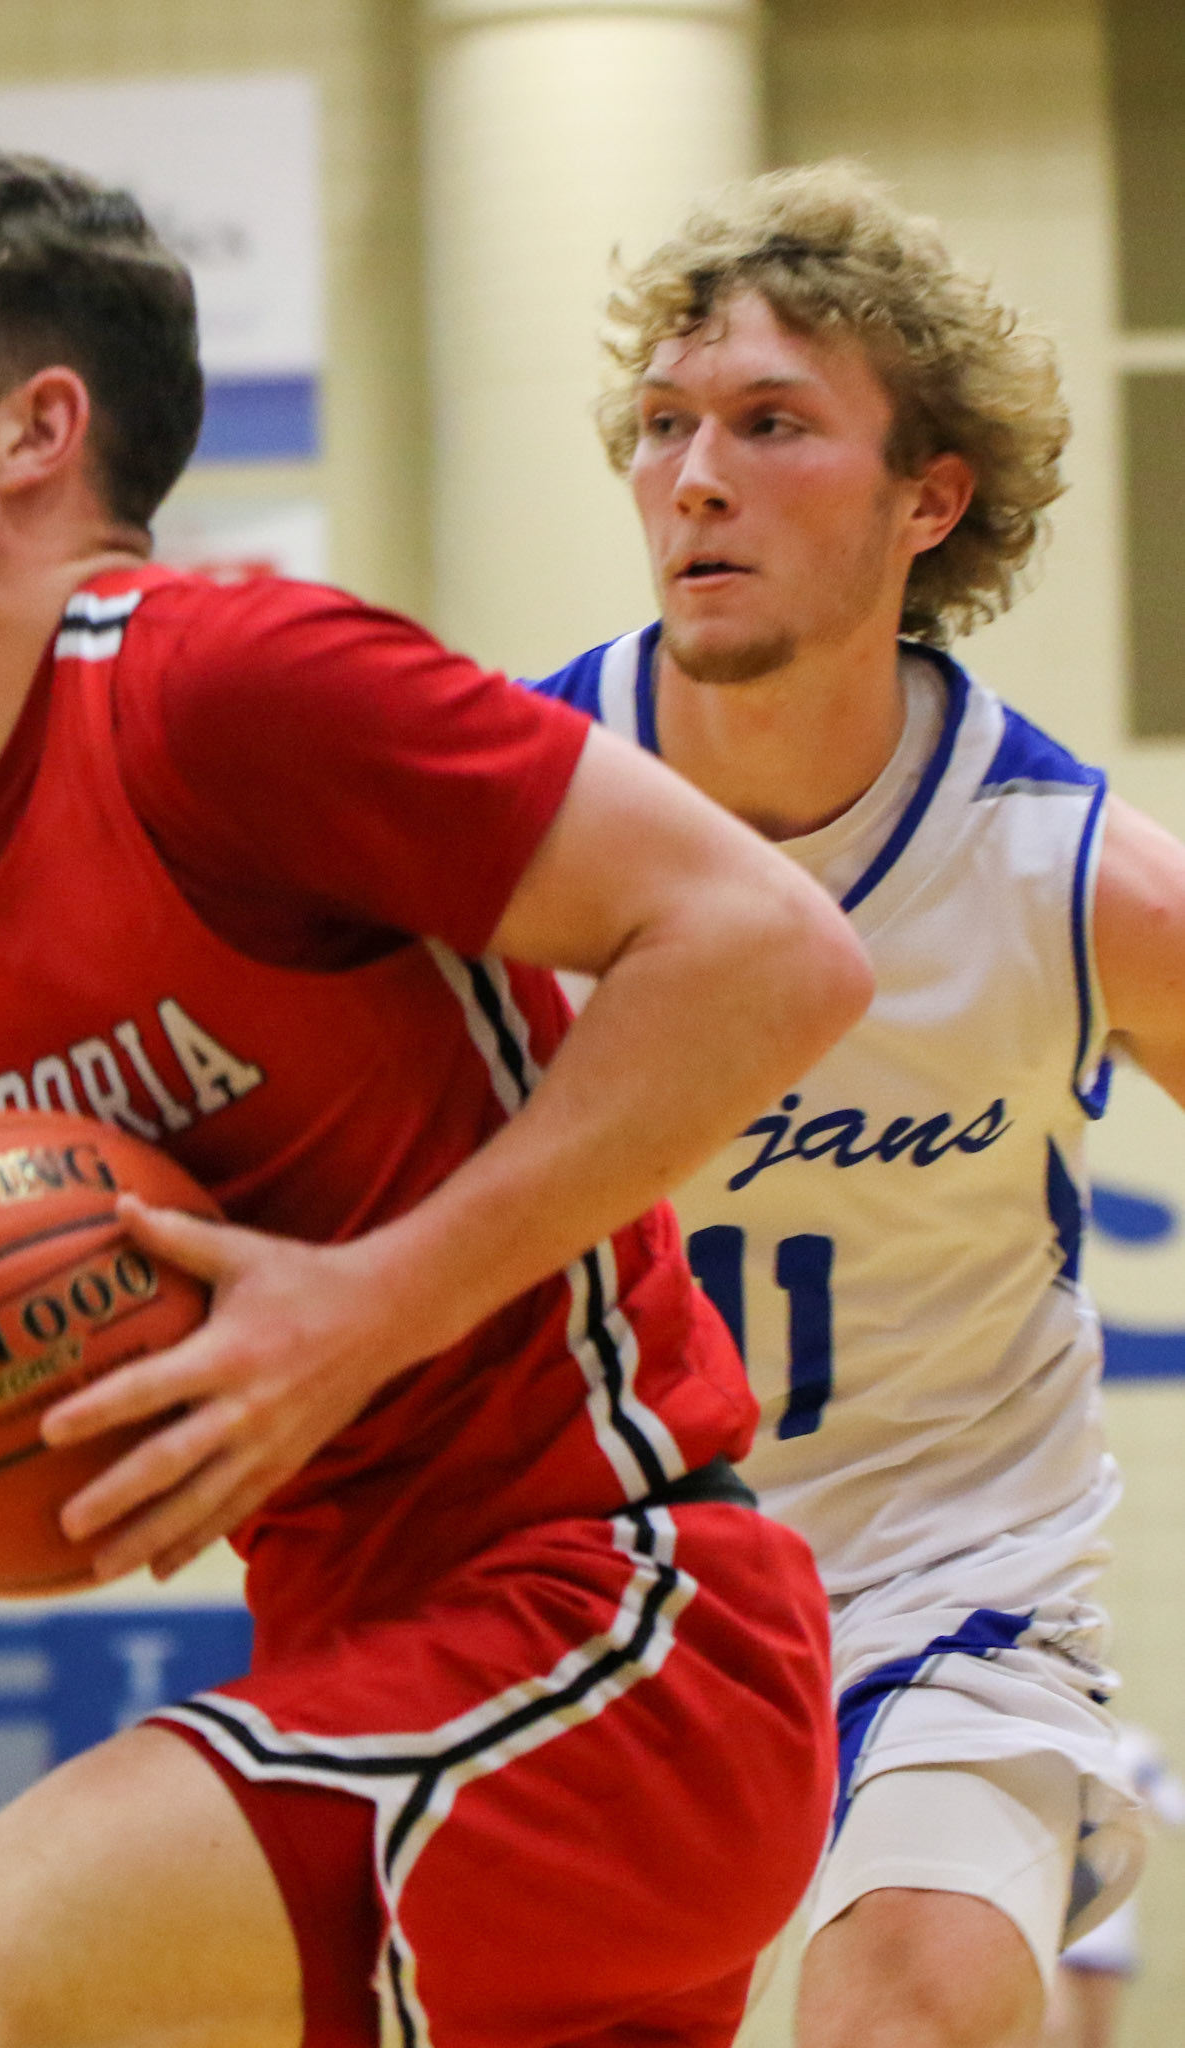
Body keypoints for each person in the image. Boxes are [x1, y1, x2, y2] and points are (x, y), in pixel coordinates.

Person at [0, 143, 872, 2048]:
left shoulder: (229, 689)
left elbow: (770, 952)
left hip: (617, 1632)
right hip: (355, 1665)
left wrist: (366, 1306)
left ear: (37, 431)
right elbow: (79, 1318)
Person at [531, 162, 1185, 2048]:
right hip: (589, 1585)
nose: (694, 476)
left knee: (908, 2003)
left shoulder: (1071, 877)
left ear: (930, 497)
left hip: (946, 1586)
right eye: (661, 426)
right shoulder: (496, 813)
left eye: (768, 424)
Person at [1043, 1725, 1185, 2048]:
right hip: (1050, 1918)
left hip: (1106, 1924)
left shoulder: (1134, 1748)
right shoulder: (1042, 1733)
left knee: (1096, 2037)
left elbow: (1175, 1811)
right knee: (1052, 2026)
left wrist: (1136, 1803)